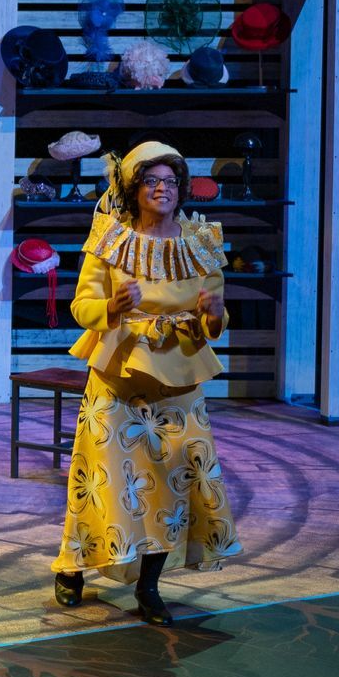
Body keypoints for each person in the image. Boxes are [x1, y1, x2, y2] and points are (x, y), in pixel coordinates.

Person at [51, 141, 242, 624]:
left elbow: (213, 316)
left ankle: (150, 587)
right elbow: (81, 306)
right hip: (118, 376)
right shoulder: (112, 238)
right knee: (103, 483)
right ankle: (74, 565)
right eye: (152, 182)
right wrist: (112, 307)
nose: (162, 189)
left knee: (171, 487)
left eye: (170, 182)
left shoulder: (199, 241)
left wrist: (215, 315)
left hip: (179, 380)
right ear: (135, 191)